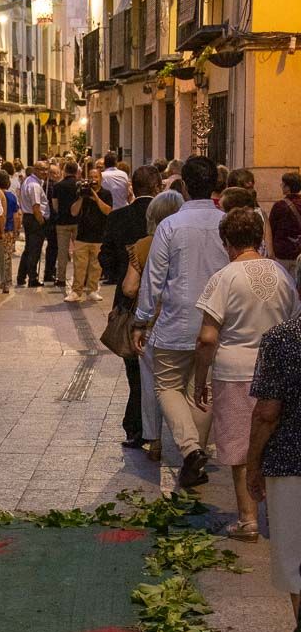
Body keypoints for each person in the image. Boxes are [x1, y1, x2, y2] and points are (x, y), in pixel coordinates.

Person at [193, 208, 299, 540]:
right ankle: (279, 518)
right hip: (279, 370)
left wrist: (200, 378)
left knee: (240, 447)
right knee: (275, 443)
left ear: (227, 242)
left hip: (235, 370)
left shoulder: (223, 278)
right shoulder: (282, 273)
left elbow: (208, 337)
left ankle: (248, 519)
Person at [132, 156, 229, 488]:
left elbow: (153, 279)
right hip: (217, 322)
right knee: (202, 390)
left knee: (167, 386)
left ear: (184, 186)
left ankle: (190, 451)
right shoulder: (226, 222)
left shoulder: (169, 226)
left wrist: (141, 320)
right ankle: (195, 456)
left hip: (177, 320)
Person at [247, 307, 301, 629]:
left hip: (290, 463)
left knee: (295, 564)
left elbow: (267, 413)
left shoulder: (282, 338)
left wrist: (253, 465)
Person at [101, 165, 163, 447]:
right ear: (158, 186)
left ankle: (136, 424)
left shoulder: (117, 218)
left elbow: (106, 258)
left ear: (131, 189)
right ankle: (152, 425)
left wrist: (120, 272)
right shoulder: (168, 218)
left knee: (133, 366)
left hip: (128, 303)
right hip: (163, 304)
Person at [122, 190, 185, 463]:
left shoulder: (144, 245)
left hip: (152, 322)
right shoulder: (188, 241)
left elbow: (129, 287)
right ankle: (191, 444)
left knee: (151, 383)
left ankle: (154, 440)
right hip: (184, 318)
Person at [65, 166, 113, 303]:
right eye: (91, 177)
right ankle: (76, 291)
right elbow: (73, 212)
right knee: (79, 266)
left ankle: (92, 290)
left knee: (96, 266)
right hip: (82, 235)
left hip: (99, 236)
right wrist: (81, 197)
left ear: (101, 179)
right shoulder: (81, 192)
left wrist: (96, 197)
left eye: (96, 177)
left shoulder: (106, 194)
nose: (93, 180)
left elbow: (108, 211)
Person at [17, 165, 47, 288]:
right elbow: (36, 207)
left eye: (46, 169)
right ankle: (32, 278)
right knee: (34, 250)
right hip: (34, 219)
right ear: (35, 170)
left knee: (29, 248)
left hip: (29, 218)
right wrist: (41, 222)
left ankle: (21, 276)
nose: (44, 172)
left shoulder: (29, 181)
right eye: (41, 169)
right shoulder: (34, 185)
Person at [52, 160, 80, 288]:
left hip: (62, 222)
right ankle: (80, 278)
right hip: (78, 222)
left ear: (65, 171)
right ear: (76, 171)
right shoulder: (79, 185)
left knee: (62, 252)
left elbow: (55, 205)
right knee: (79, 252)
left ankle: (61, 278)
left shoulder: (57, 186)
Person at [0, 169, 20, 293]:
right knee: (7, 256)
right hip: (8, 229)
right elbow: (16, 216)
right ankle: (6, 283)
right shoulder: (11, 196)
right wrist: (16, 231)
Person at [268, 172, 301, 272]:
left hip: (282, 253)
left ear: (287, 187)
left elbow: (271, 229)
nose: (281, 186)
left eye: (283, 184)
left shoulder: (279, 206)